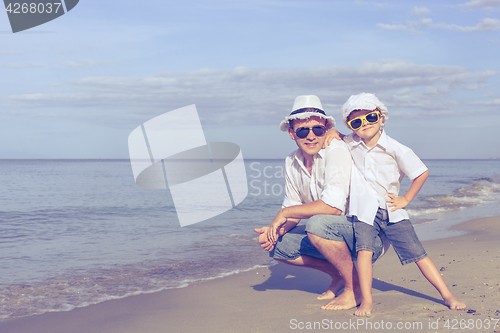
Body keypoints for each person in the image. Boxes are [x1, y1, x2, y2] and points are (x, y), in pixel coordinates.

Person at [338, 92, 466, 316]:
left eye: (371, 118)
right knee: (364, 252)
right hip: (364, 210)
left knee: (418, 254)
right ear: (350, 126)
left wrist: (405, 199)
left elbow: (421, 172)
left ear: (382, 118)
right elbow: (335, 137)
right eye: (356, 122)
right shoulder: (350, 143)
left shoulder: (396, 148)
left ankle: (447, 295)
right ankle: (367, 300)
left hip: (391, 209)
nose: (364, 124)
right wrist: (331, 131)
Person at [254, 95, 386, 311]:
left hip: (367, 239)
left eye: (318, 129)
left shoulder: (336, 150)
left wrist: (285, 212)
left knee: (317, 224)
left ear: (326, 128)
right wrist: (276, 228)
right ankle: (337, 274)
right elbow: (294, 211)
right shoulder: (291, 161)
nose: (311, 136)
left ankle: (354, 289)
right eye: (303, 131)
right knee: (276, 245)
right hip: (332, 236)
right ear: (291, 133)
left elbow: (332, 207)